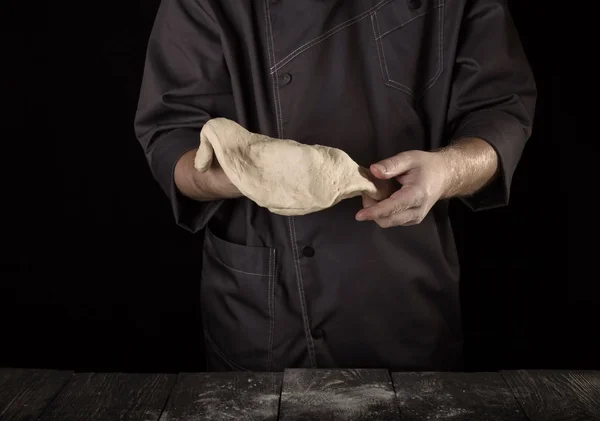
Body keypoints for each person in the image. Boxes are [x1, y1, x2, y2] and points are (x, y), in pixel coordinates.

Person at [134, 0, 536, 372]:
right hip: (263, 307)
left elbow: (501, 112)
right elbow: (171, 137)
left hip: (400, 284)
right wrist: (248, 174)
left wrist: (448, 170)